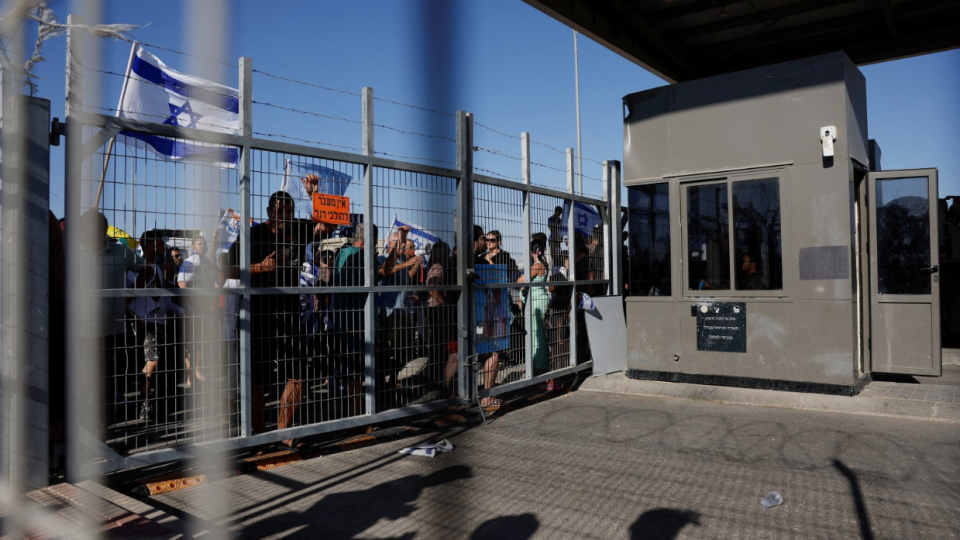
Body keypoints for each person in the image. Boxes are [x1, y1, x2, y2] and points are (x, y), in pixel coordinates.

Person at [229, 189, 332, 449]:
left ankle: (282, 432)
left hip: (289, 313)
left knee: (299, 374)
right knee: (257, 378)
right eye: (280, 211)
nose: (285, 216)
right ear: (269, 212)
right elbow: (225, 267)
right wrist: (258, 268)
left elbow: (328, 224)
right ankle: (260, 435)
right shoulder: (253, 235)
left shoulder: (298, 230)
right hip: (258, 313)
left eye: (289, 211)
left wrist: (315, 194)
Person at [77, 210, 146, 429]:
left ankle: (102, 428)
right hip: (80, 331)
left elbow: (145, 268)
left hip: (112, 331)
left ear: (102, 230)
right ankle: (80, 426)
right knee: (81, 381)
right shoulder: (74, 252)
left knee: (106, 381)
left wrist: (131, 294)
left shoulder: (120, 251)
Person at [330, 222, 406, 417]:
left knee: (351, 371)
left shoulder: (342, 254)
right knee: (361, 372)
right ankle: (361, 416)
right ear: (370, 239)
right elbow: (385, 271)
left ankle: (357, 413)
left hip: (342, 322)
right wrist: (397, 244)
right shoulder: (364, 257)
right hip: (359, 324)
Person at [130, 230, 184, 421]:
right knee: (152, 362)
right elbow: (132, 297)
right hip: (149, 324)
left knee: (154, 362)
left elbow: (164, 301)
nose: (164, 247)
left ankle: (148, 401)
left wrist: (184, 312)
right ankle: (144, 403)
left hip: (159, 323)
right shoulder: (147, 269)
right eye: (161, 243)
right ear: (151, 245)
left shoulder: (157, 269)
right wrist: (142, 319)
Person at [377, 234, 422, 406]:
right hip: (389, 312)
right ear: (392, 244)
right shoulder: (383, 258)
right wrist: (406, 263)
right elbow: (386, 271)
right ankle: (383, 385)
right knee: (386, 353)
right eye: (402, 244)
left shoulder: (403, 260)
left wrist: (414, 266)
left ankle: (392, 381)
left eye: (406, 246)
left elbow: (406, 279)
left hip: (404, 311)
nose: (405, 248)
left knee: (404, 351)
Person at [476, 229, 518, 407]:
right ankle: (486, 393)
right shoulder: (480, 258)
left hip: (500, 306)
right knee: (488, 351)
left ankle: (487, 393)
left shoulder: (505, 257)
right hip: (483, 308)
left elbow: (515, 276)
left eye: (492, 240)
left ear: (499, 241)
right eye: (486, 240)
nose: (488, 243)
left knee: (495, 350)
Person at [443, 225, 485, 397]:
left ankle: (457, 394)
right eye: (482, 238)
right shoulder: (474, 263)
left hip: (457, 315)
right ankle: (456, 396)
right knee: (458, 356)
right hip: (464, 317)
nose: (484, 242)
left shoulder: (452, 261)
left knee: (456, 356)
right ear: (474, 242)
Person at [178, 235, 218, 388]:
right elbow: (182, 284)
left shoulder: (207, 262)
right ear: (193, 247)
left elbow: (215, 283)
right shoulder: (188, 263)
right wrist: (191, 303)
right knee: (190, 343)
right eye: (200, 243)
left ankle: (197, 371)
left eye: (205, 243)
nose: (203, 246)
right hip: (192, 309)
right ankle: (190, 377)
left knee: (201, 341)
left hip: (205, 309)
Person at [518, 239, 550, 374]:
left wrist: (522, 277)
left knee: (537, 334)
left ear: (532, 251)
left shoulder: (537, 266)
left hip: (537, 301)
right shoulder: (541, 264)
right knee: (537, 333)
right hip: (537, 299)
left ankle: (540, 364)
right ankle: (538, 362)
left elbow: (521, 280)